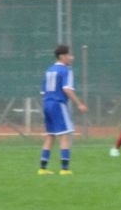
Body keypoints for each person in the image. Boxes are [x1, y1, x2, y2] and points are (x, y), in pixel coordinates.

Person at [38, 44, 88, 175]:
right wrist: (79, 104)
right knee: (65, 135)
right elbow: (67, 89)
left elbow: (43, 91)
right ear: (62, 56)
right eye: (69, 55)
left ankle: (42, 168)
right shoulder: (66, 70)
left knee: (50, 136)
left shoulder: (49, 70)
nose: (72, 57)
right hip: (58, 104)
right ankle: (65, 169)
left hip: (47, 103)